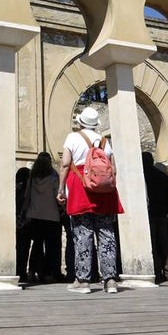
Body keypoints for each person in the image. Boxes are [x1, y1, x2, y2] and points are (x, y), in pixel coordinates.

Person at [58, 107, 123, 294]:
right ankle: (110, 280)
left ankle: (83, 281)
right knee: (106, 234)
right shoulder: (104, 141)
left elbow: (65, 164)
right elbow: (113, 169)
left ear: (80, 122)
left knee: (82, 234)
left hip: (80, 187)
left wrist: (61, 188)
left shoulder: (73, 138)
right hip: (104, 191)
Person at [23, 152, 62, 283]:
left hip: (35, 215)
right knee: (52, 247)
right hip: (51, 216)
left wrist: (24, 211)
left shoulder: (32, 177)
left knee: (37, 246)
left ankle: (32, 271)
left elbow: (27, 196)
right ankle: (50, 273)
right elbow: (58, 194)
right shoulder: (54, 176)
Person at [141, 152, 168, 283]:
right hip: (162, 213)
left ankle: (156, 272)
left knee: (152, 243)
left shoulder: (142, 176)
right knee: (164, 243)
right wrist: (167, 210)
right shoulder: (162, 176)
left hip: (149, 213)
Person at [14, 167, 31, 282]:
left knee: (18, 247)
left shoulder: (15, 188)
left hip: (16, 220)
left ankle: (17, 270)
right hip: (25, 220)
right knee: (24, 247)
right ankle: (22, 271)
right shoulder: (28, 189)